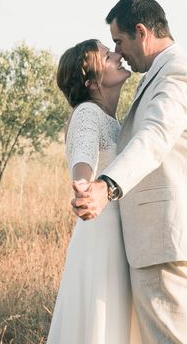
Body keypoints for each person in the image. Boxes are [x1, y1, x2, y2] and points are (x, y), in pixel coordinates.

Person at [71, 0, 187, 344]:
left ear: (141, 31)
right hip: (156, 240)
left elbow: (154, 138)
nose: (119, 52)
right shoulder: (160, 73)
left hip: (163, 239)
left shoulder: (177, 73)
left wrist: (105, 185)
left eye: (119, 41)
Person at [47, 39, 141, 344]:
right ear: (91, 81)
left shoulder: (112, 120)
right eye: (106, 54)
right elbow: (83, 157)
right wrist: (84, 187)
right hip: (102, 240)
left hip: (119, 236)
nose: (116, 54)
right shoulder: (88, 113)